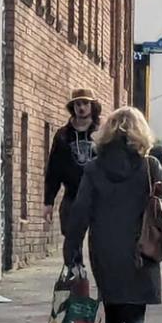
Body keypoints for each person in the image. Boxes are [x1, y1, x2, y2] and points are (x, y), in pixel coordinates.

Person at [64, 106, 162, 323]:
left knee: (113, 314)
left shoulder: (94, 169)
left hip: (105, 251)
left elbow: (80, 211)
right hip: (142, 250)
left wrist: (72, 249)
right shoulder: (150, 166)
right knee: (135, 314)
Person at [45, 88, 103, 229]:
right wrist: (48, 202)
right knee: (71, 244)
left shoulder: (102, 133)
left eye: (85, 103)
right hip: (72, 196)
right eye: (77, 104)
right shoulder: (63, 135)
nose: (81, 107)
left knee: (98, 245)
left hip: (99, 197)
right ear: (73, 107)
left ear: (92, 106)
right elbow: (53, 170)